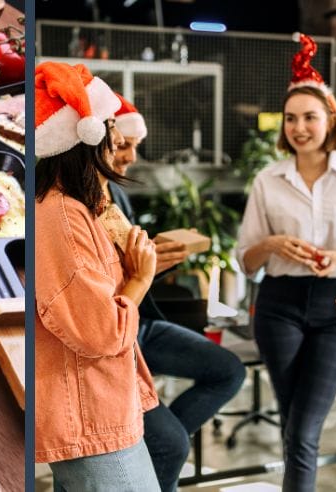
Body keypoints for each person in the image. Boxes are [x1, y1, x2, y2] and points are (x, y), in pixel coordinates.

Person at [235, 33, 336, 492]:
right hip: (277, 305)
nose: (299, 127)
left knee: (303, 431)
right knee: (293, 425)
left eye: (309, 117)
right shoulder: (268, 179)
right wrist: (274, 244)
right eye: (290, 119)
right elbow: (245, 258)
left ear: (331, 119)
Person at [106, 95, 246, 491]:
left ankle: (141, 456)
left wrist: (154, 260)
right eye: (122, 146)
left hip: (141, 323)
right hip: (112, 329)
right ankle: (149, 453)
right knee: (170, 445)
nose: (131, 157)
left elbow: (124, 262)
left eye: (135, 146)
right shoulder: (73, 202)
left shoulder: (116, 193)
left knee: (228, 371)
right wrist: (141, 270)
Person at [33, 61, 160, 491]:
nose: (119, 137)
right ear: (85, 136)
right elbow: (102, 332)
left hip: (96, 410)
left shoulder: (75, 206)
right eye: (110, 127)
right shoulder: (63, 217)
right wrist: (140, 279)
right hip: (90, 416)